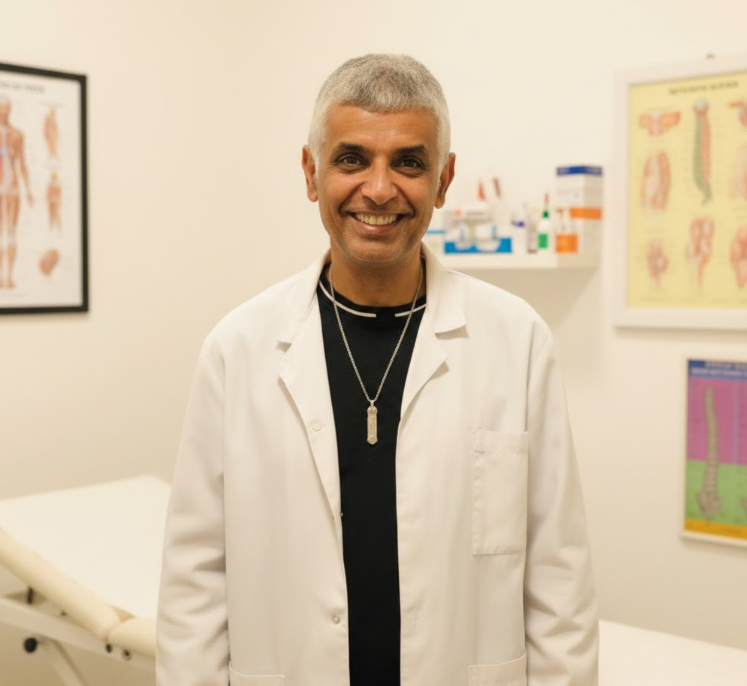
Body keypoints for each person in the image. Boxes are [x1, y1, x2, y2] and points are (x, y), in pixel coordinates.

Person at [157, 54, 598, 686]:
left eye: (409, 162)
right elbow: (194, 581)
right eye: (351, 159)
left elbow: (559, 578)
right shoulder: (238, 348)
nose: (380, 188)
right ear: (311, 173)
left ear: (444, 180)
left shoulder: (517, 340)